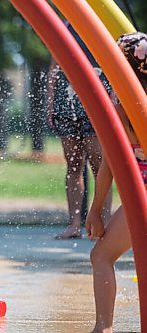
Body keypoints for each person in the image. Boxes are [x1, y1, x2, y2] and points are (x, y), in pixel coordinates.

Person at [86, 32, 147, 333]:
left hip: (145, 198)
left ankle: (103, 328)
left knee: (101, 255)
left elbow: (109, 164)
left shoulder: (121, 106)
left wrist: (96, 210)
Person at [47, 22, 111, 240]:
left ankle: (104, 223)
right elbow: (54, 66)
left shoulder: (100, 25)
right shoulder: (64, 26)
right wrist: (50, 102)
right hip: (67, 102)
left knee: (99, 165)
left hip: (96, 102)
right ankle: (74, 224)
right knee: (73, 165)